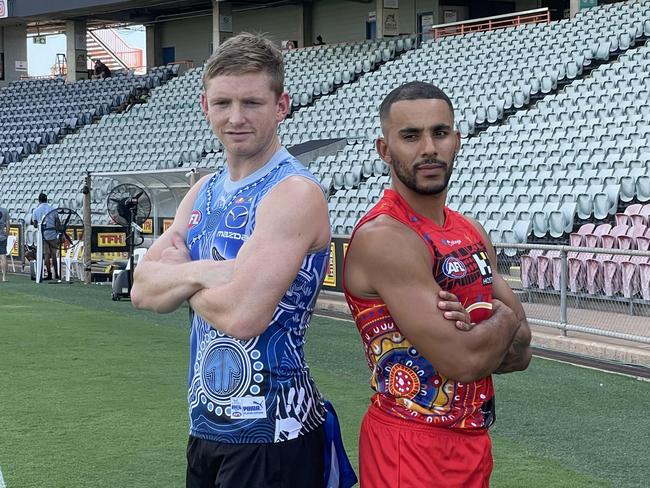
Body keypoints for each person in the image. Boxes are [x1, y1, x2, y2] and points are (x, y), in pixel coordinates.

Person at [131, 33, 356, 488]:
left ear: (281, 105)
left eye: (252, 102)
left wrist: (178, 277)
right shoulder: (203, 189)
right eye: (223, 103)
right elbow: (139, 290)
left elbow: (243, 315)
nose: (235, 118)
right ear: (205, 106)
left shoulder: (292, 192)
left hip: (274, 430)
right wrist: (210, 272)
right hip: (206, 426)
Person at [343, 81, 532, 487]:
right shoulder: (385, 237)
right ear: (384, 150)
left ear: (456, 141)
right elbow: (464, 361)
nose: (428, 147)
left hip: (473, 439)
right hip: (408, 446)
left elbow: (522, 352)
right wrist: (501, 316)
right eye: (410, 136)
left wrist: (482, 336)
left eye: (440, 133)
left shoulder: (471, 232)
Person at [32, 193, 60, 281]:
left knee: (47, 255)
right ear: (47, 200)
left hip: (43, 235)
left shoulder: (36, 211)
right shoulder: (53, 209)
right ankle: (57, 273)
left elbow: (35, 225)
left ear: (39, 200)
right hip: (53, 234)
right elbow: (58, 222)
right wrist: (57, 231)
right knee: (54, 254)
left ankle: (49, 274)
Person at [0, 205, 9, 282]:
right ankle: (4, 277)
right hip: (2, 236)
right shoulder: (5, 211)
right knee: (3, 256)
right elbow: (8, 224)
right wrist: (7, 234)